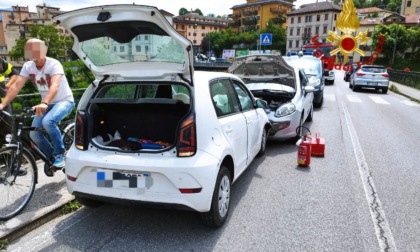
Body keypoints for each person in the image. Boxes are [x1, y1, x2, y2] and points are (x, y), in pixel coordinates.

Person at [0, 38, 75, 170]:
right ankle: (52, 158)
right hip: (46, 104)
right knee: (34, 134)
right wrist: (2, 105)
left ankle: (60, 155)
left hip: (64, 101)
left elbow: (55, 85)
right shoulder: (28, 66)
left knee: (48, 121)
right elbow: (16, 87)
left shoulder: (54, 64)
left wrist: (44, 102)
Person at [0, 57, 18, 145]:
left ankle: (8, 154)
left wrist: (8, 85)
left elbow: (14, 73)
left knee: (7, 130)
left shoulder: (1, 61)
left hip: (3, 103)